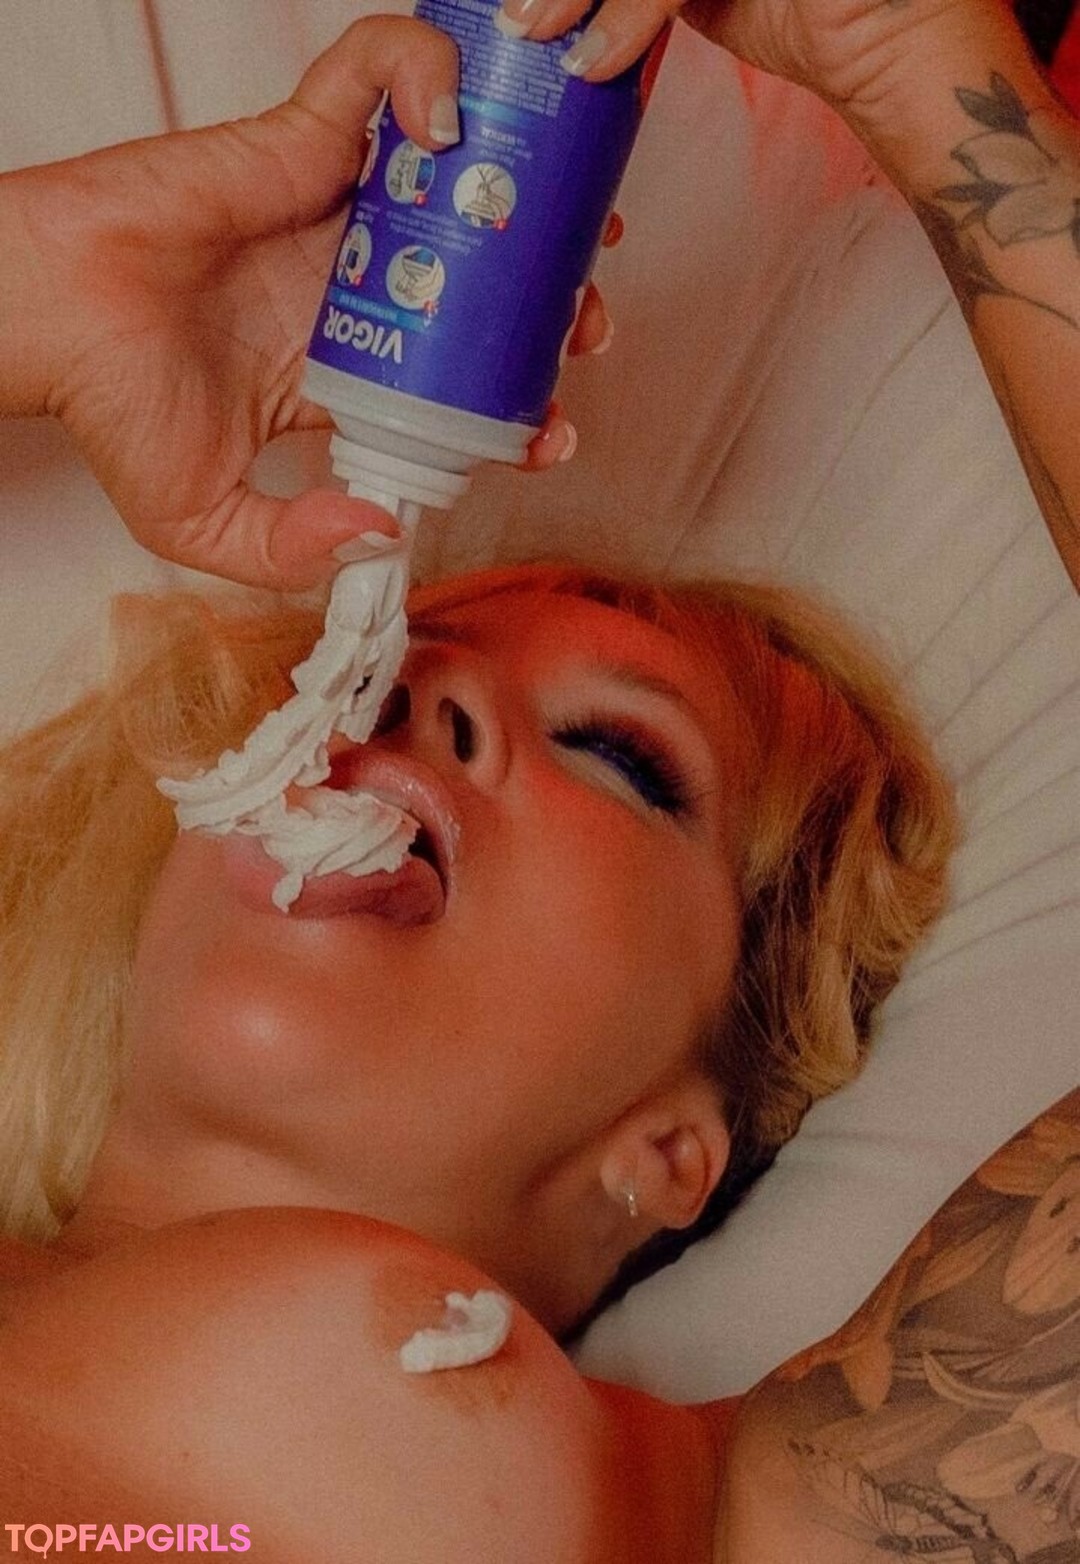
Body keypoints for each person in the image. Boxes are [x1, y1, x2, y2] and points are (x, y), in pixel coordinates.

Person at [0, 5, 1075, 1563]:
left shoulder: (772, 1502)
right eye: (398, 660)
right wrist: (51, 282)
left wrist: (913, 62)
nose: (415, 695)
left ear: (668, 1151)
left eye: (622, 758)